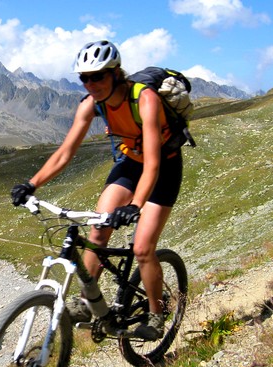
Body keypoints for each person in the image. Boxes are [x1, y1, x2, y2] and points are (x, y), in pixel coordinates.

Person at [10, 40, 184, 340]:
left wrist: (136, 205)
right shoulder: (91, 104)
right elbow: (65, 153)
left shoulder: (145, 99)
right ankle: (88, 303)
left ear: (116, 73)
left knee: (142, 248)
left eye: (98, 76)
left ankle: (157, 314)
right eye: (84, 78)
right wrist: (32, 184)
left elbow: (153, 164)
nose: (91, 84)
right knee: (97, 230)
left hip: (163, 169)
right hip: (130, 164)